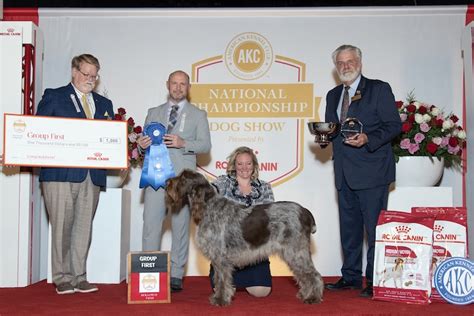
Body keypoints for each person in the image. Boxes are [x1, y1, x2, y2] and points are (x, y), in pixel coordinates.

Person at [323, 45, 402, 297]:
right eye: (341, 63)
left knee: (374, 229)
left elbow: (393, 126)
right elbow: (333, 129)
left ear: (360, 62)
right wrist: (324, 137)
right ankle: (351, 277)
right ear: (336, 67)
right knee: (349, 229)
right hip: (344, 173)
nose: (345, 66)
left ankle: (375, 280)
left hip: (372, 172)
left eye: (350, 61)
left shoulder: (379, 89)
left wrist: (368, 137)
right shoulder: (333, 94)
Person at [36, 54, 114, 295]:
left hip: (92, 175)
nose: (90, 79)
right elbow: (37, 130)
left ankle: (79, 276)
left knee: (83, 227)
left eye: (94, 75)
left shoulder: (104, 104)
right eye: (86, 74)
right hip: (59, 174)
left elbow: (109, 137)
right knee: (61, 226)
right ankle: (61, 277)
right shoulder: (54, 95)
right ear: (74, 71)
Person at [137, 70, 211, 292]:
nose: (178, 88)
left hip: (183, 182)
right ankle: (149, 273)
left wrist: (183, 142)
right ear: (167, 84)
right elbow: (145, 145)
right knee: (151, 226)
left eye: (183, 84)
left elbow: (205, 146)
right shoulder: (153, 112)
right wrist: (142, 144)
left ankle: (177, 273)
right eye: (174, 83)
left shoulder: (198, 115)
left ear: (188, 87)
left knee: (180, 228)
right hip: (155, 179)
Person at [210, 146, 274, 298]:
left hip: (255, 249)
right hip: (227, 249)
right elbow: (209, 193)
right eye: (240, 164)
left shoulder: (265, 187)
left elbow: (269, 216)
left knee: (261, 292)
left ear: (254, 165)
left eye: (248, 163)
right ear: (234, 166)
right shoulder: (224, 182)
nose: (244, 167)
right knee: (226, 293)